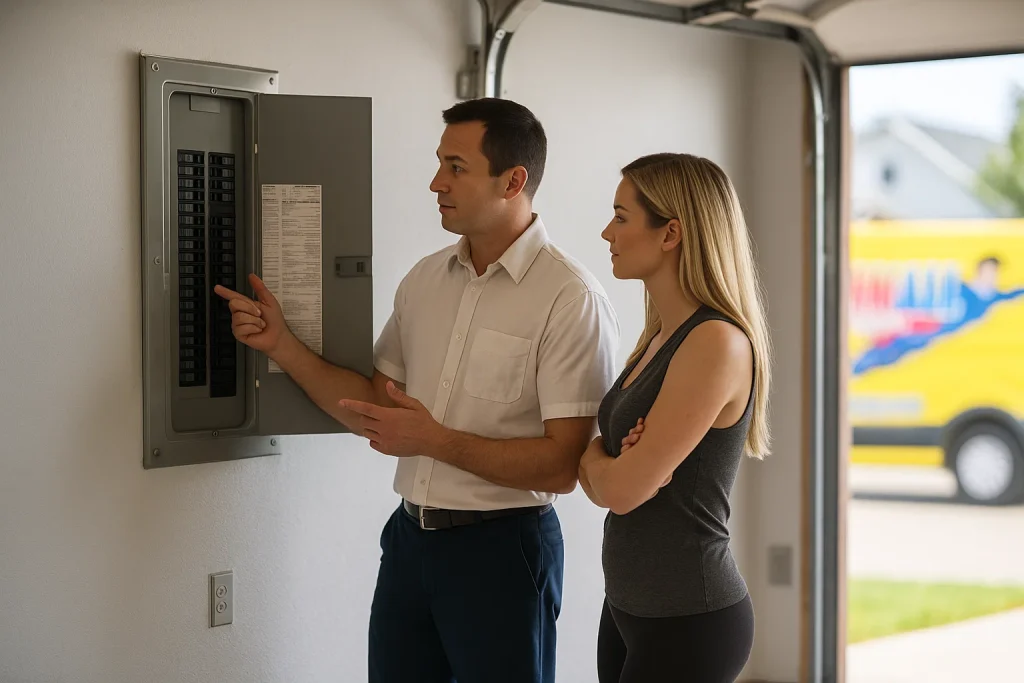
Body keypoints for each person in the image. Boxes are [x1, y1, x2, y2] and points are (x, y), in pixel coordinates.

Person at [214, 97, 619, 683]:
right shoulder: (425, 279)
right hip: (409, 542)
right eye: (439, 163)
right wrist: (281, 345)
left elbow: (561, 467)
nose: (436, 182)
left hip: (504, 552)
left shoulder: (570, 298)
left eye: (456, 167)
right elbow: (378, 408)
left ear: (514, 180)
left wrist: (433, 439)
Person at [577, 153, 771, 683]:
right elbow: (614, 473)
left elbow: (622, 490)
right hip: (628, 606)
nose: (606, 231)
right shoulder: (657, 337)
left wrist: (601, 462)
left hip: (690, 618)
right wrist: (607, 462)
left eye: (621, 216)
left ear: (671, 233)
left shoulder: (715, 342)